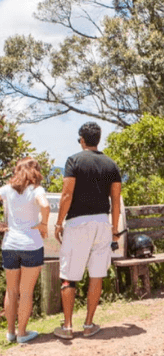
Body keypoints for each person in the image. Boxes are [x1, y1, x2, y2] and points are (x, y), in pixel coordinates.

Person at [53, 122, 122, 340]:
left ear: (82, 140)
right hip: (102, 223)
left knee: (69, 276)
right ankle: (89, 324)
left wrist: (58, 222)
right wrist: (113, 231)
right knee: (97, 274)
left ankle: (67, 326)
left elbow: (66, 194)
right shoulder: (111, 165)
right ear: (98, 139)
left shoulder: (74, 160)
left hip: (78, 224)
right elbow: (116, 201)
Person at [0, 157, 50, 344]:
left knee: (11, 291)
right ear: (35, 171)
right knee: (26, 292)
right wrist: (44, 224)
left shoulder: (6, 190)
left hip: (10, 244)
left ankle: (10, 333)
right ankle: (22, 334)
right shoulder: (36, 190)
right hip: (31, 244)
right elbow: (45, 205)